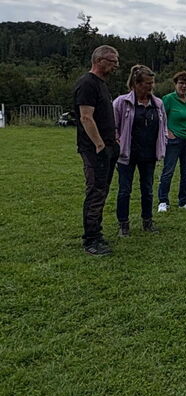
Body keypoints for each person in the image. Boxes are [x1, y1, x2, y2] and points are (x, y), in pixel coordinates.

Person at [73, 44, 120, 255]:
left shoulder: (101, 84)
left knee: (102, 191)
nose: (116, 65)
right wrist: (99, 145)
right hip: (95, 150)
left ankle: (97, 234)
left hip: (108, 146)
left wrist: (113, 141)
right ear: (99, 61)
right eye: (113, 61)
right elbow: (86, 117)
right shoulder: (87, 84)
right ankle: (91, 240)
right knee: (95, 192)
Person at [113, 65, 168, 235]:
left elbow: (164, 127)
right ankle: (123, 224)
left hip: (149, 154)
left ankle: (147, 221)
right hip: (127, 154)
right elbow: (113, 127)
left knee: (148, 190)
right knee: (124, 190)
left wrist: (163, 143)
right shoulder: (121, 102)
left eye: (152, 83)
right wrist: (117, 143)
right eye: (147, 83)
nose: (151, 86)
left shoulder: (158, 104)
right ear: (136, 84)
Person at [157, 71, 186, 212]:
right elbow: (161, 118)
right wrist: (167, 132)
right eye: (181, 83)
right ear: (175, 84)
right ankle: (163, 201)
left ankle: (184, 201)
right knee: (168, 171)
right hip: (174, 141)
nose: (184, 86)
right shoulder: (168, 99)